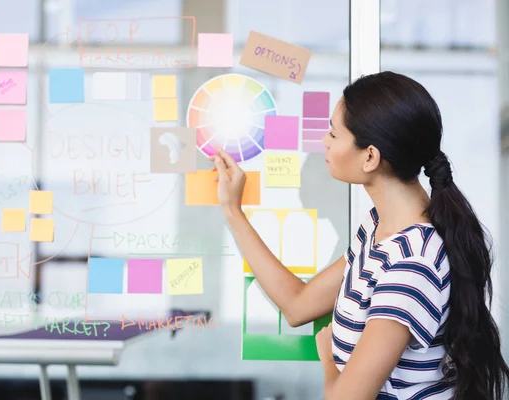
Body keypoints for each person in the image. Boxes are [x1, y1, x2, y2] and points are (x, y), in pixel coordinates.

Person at [211, 71, 509, 400]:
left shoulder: (412, 264)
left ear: (369, 157)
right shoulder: (378, 229)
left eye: (333, 134)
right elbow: (297, 305)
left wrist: (328, 360)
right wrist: (233, 211)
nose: (324, 141)